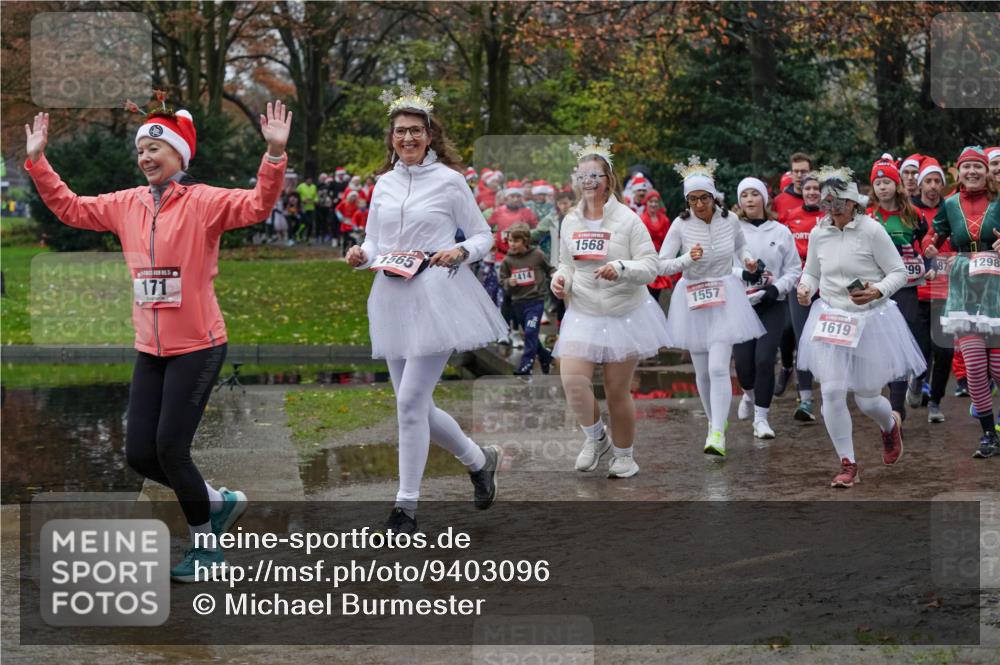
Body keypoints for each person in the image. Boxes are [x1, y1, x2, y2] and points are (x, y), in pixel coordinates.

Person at [24, 99, 292, 579]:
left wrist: (273, 155)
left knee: (171, 448)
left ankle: (207, 548)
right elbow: (69, 207)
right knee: (139, 455)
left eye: (155, 148)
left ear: (179, 155)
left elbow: (257, 205)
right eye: (141, 150)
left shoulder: (205, 202)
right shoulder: (126, 204)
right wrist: (39, 161)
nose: (146, 157)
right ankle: (218, 502)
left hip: (200, 345)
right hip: (151, 348)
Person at [345, 83, 507, 533]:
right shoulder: (383, 184)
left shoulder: (450, 181)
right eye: (400, 132)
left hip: (437, 295)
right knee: (411, 404)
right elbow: (376, 240)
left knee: (411, 403)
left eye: (416, 131)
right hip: (391, 296)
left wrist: (460, 253)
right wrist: (361, 254)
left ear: (430, 135)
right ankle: (479, 460)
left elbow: (482, 236)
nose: (408, 139)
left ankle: (406, 508)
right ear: (391, 137)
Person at [795, 167, 925, 487]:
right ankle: (848, 463)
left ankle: (889, 426)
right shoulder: (818, 233)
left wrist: (878, 290)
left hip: (869, 320)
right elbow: (811, 272)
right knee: (832, 392)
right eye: (827, 201)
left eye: (838, 201)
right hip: (830, 318)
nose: (832, 208)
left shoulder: (872, 231)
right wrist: (805, 287)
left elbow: (899, 272)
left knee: (868, 400)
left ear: (854, 203)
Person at [550, 136, 668, 477]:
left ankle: (625, 456)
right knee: (572, 381)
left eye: (595, 176)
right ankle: (596, 437)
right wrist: (561, 280)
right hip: (583, 312)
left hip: (623, 313)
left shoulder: (628, 220)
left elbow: (651, 265)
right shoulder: (570, 220)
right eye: (582, 176)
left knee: (617, 391)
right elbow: (566, 264)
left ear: (608, 180)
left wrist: (621, 268)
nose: (588, 182)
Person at [658, 156, 765, 457]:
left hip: (724, 295)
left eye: (704, 198)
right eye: (693, 200)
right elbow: (661, 264)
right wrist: (686, 260)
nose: (699, 204)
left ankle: (718, 432)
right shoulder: (680, 225)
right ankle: (712, 422)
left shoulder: (730, 220)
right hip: (691, 298)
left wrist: (747, 260)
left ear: (714, 196)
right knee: (702, 372)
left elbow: (741, 246)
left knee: (719, 367)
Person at [930, 146, 1000, 458]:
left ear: (986, 170)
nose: (972, 171)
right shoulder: (948, 203)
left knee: (997, 367)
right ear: (959, 171)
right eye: (966, 167)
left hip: (996, 284)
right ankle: (988, 435)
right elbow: (936, 235)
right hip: (963, 283)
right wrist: (930, 246)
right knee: (973, 367)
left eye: (977, 166)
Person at [732, 177, 801, 439]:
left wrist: (777, 289)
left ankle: (761, 418)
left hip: (772, 304)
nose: (750, 199)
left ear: (764, 198)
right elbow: (722, 265)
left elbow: (794, 269)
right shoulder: (733, 230)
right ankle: (748, 395)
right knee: (743, 366)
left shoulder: (781, 231)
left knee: (764, 360)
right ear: (739, 201)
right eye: (745, 195)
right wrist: (742, 275)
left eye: (754, 194)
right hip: (742, 305)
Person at [868, 156, 929, 425]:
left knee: (902, 343)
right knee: (884, 347)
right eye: (878, 183)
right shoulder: (870, 216)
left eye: (887, 182)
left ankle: (896, 410)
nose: (882, 187)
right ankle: (893, 405)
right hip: (880, 288)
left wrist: (924, 262)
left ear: (896, 184)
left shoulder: (913, 214)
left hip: (906, 287)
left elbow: (924, 242)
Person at [777, 172, 823, 420]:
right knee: (803, 339)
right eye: (808, 189)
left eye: (817, 188)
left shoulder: (829, 219)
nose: (812, 192)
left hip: (827, 289)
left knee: (826, 342)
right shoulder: (790, 219)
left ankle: (831, 396)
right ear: (801, 192)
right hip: (800, 288)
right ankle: (805, 400)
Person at [500, 223, 554, 376]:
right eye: (510, 241)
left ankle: (526, 364)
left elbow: (549, 269)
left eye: (516, 241)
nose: (512, 244)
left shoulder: (537, 255)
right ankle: (545, 356)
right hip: (518, 302)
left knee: (530, 331)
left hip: (535, 301)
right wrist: (508, 282)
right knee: (531, 334)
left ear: (525, 241)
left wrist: (558, 277)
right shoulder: (507, 261)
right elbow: (502, 280)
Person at [639, 190, 674, 302]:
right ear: (646, 203)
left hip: (660, 258)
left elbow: (669, 240)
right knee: (647, 292)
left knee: (656, 295)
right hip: (646, 258)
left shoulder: (664, 220)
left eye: (656, 201)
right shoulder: (641, 219)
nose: (653, 204)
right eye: (651, 201)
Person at [773, 152, 813, 221]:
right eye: (796, 171)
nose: (799, 175)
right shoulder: (778, 201)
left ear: (811, 173)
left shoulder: (819, 199)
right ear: (791, 173)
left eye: (803, 171)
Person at [296, 176, 318, 242]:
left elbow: (315, 196)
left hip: (311, 208)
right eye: (308, 180)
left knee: (310, 223)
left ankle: (307, 238)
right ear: (306, 180)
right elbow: (296, 195)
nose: (309, 181)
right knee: (305, 223)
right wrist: (301, 200)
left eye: (310, 180)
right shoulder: (301, 186)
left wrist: (316, 200)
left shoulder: (314, 187)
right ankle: (299, 234)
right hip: (303, 208)